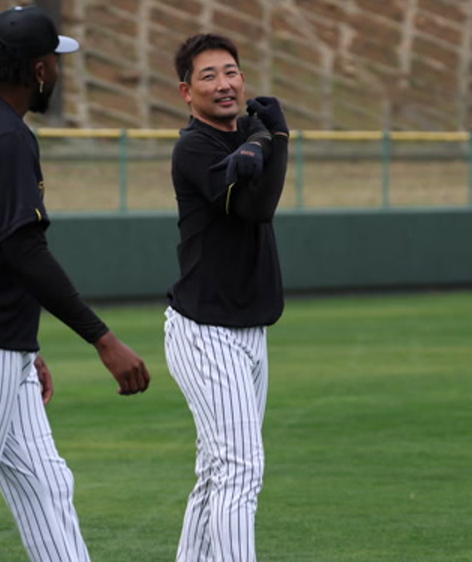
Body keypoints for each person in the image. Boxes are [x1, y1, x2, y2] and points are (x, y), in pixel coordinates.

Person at [0, 5, 151, 562]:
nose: (58, 72)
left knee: (46, 485)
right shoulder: (4, 136)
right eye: (54, 61)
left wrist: (24, 343)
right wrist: (103, 339)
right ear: (38, 70)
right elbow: (24, 250)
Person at [164, 33, 290, 561]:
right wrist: (274, 138)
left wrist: (263, 139)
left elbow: (257, 171)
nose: (224, 84)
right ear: (186, 92)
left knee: (217, 469)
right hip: (205, 331)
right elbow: (257, 208)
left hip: (247, 329)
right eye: (209, 76)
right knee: (240, 467)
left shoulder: (241, 137)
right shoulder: (194, 147)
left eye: (231, 72)